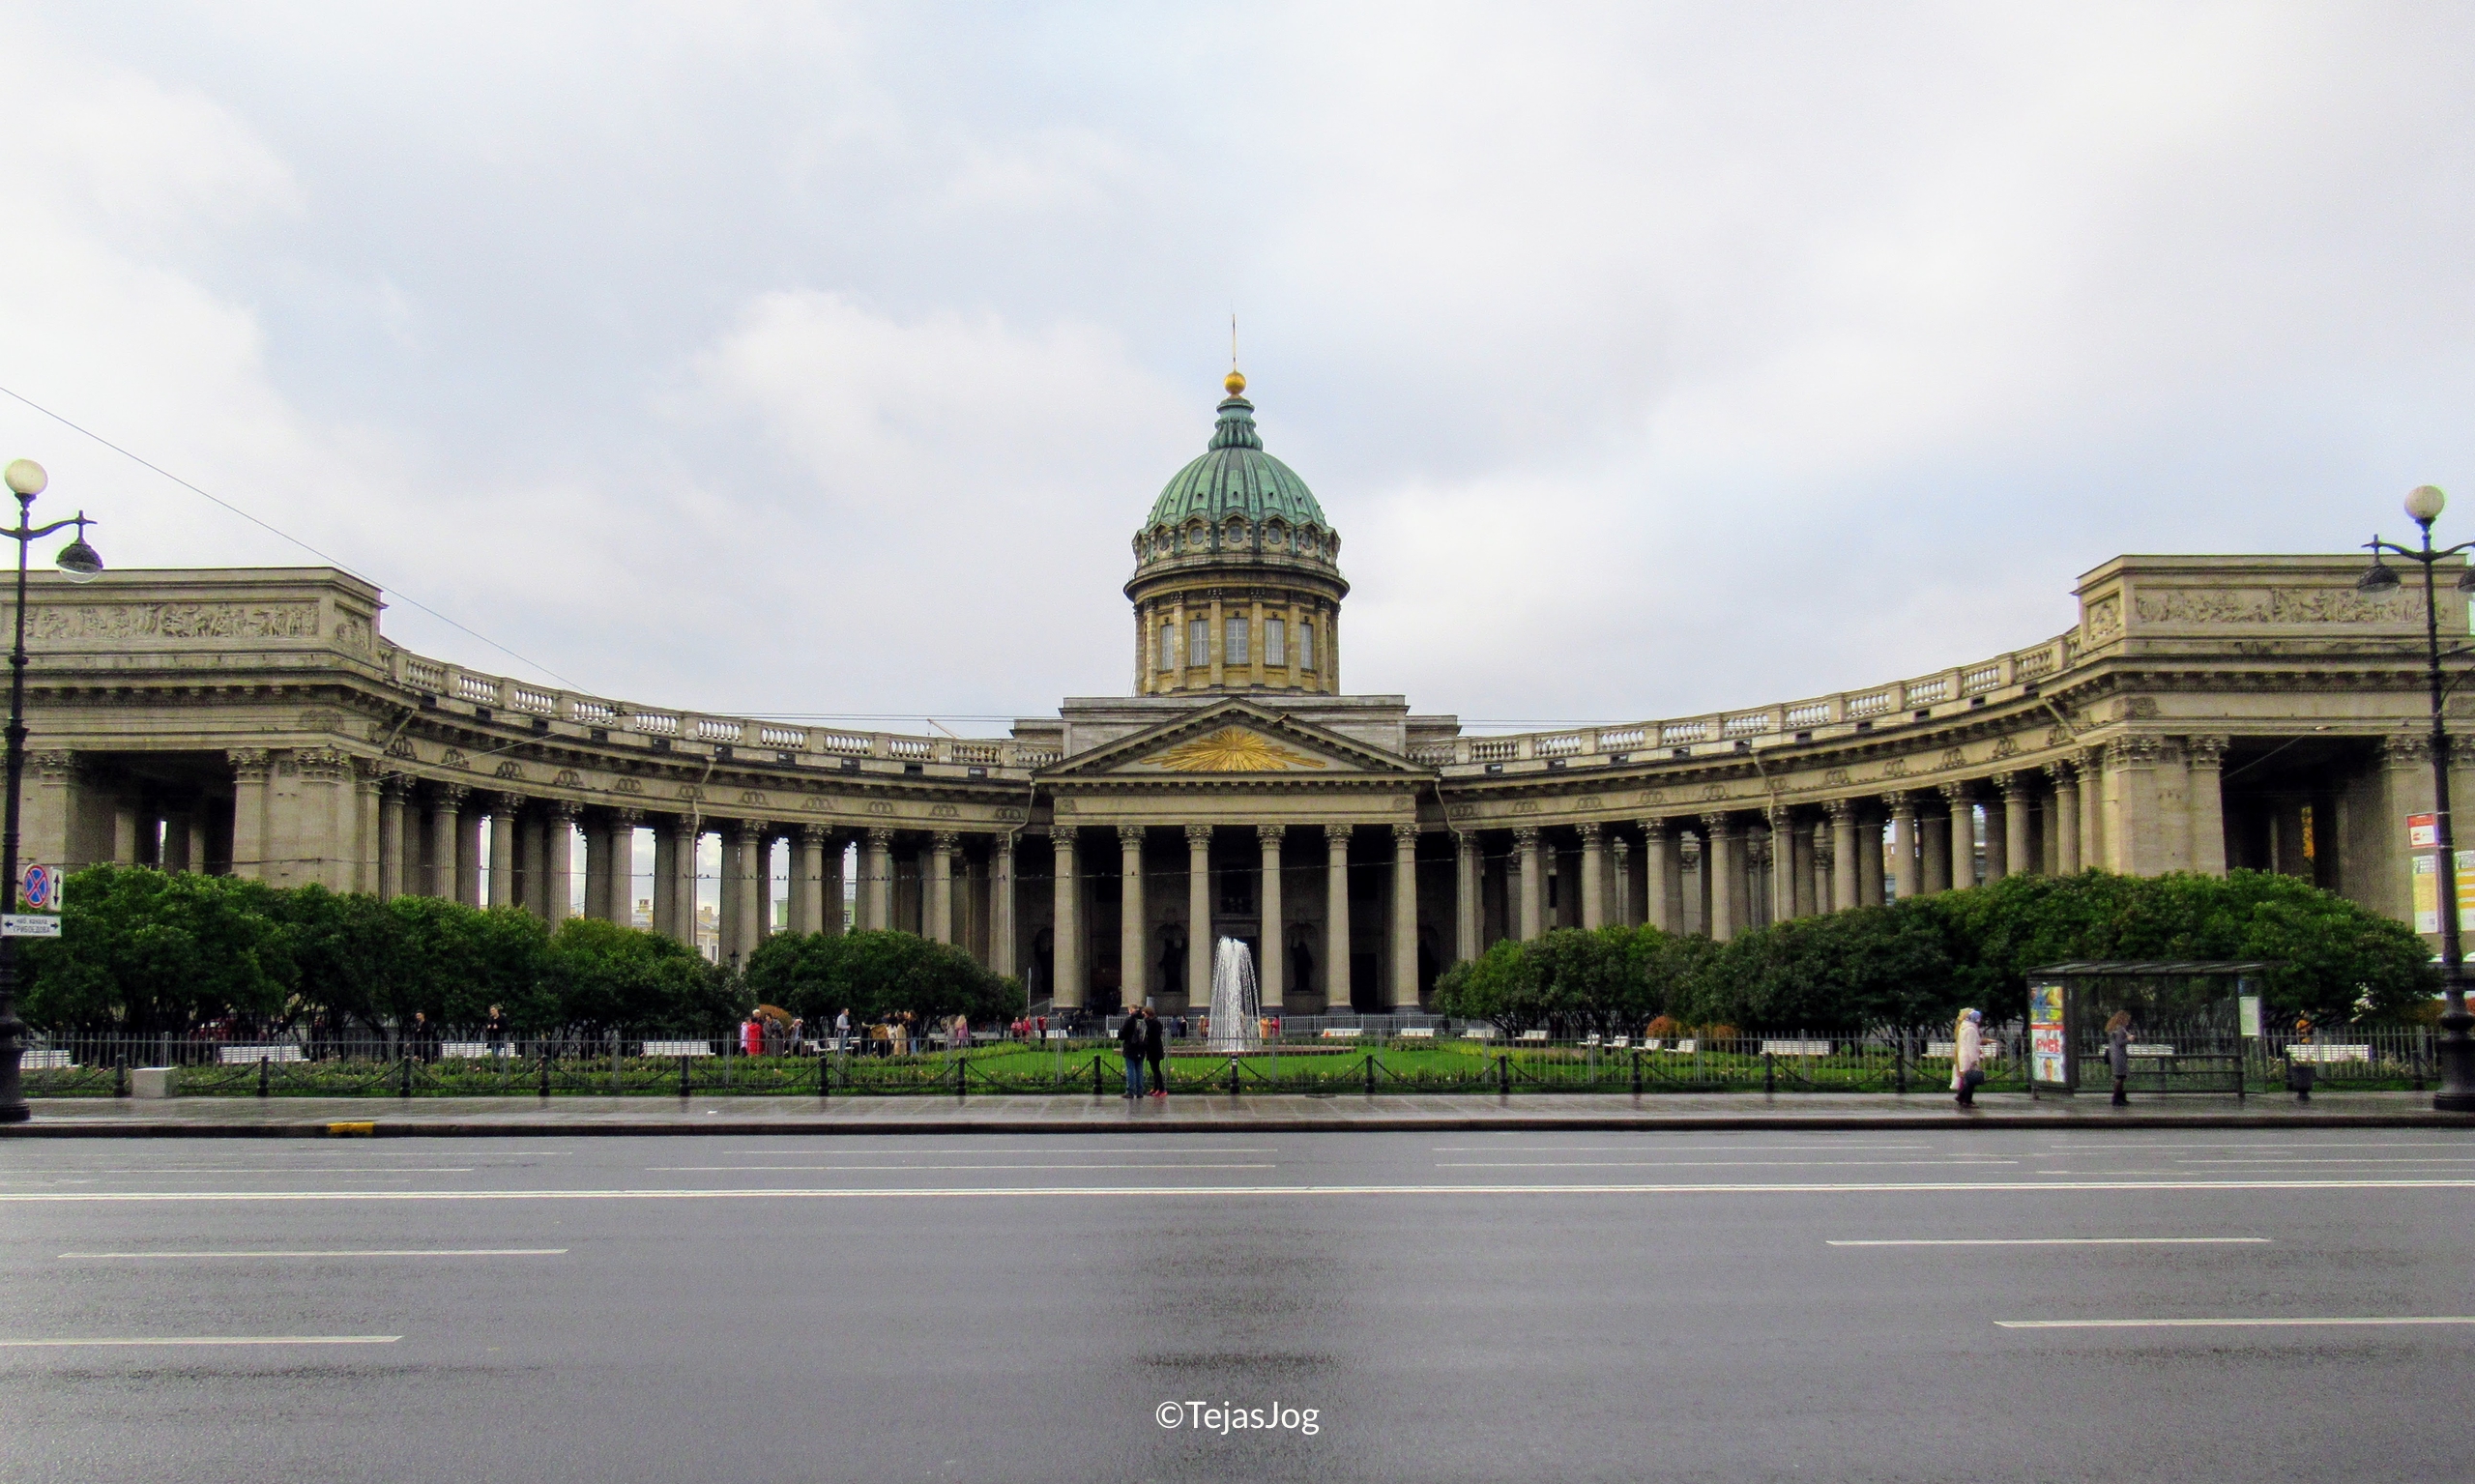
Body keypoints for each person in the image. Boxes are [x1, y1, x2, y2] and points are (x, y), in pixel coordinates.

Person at [1952, 1007, 1985, 1107]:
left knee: (1968, 1079)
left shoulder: (1964, 1027)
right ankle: (1966, 1100)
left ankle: (1962, 1096)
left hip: (1963, 1055)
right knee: (1971, 1079)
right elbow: (1971, 1045)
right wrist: (1974, 1060)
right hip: (1968, 1057)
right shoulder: (1971, 1029)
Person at [2105, 1009, 2133, 1106]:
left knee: (2119, 1076)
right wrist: (2129, 1039)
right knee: (2120, 1077)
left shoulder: (2113, 1029)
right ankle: (2117, 1098)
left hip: (2113, 1054)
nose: (2128, 1021)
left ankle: (2120, 1097)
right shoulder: (2120, 1029)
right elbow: (2120, 1043)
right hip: (2119, 1055)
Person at [1118, 1008, 1148, 1098]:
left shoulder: (1129, 1020)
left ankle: (1130, 1091)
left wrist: (1120, 1035)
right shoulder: (1144, 1020)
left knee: (1130, 1069)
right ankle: (1140, 1091)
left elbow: (1122, 1034)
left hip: (1130, 1047)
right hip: (1141, 1048)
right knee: (1139, 1070)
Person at [1143, 1005, 1167, 1099]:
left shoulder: (1155, 1023)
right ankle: (1156, 1087)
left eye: (1144, 1014)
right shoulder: (1151, 1022)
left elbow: (1153, 1035)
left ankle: (1162, 1088)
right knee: (1155, 1070)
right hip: (1152, 1049)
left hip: (1154, 1049)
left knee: (1156, 1070)